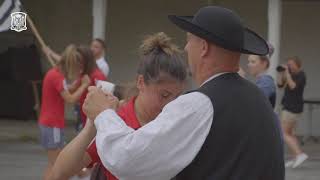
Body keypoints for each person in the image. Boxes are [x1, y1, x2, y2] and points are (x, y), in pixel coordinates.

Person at [83, 6, 284, 180]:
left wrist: (103, 114)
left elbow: (127, 160)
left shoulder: (200, 103)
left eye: (189, 40)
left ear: (204, 47)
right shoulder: (258, 97)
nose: (186, 48)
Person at [48, 32, 187, 180]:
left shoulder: (176, 120)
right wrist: (92, 126)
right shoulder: (116, 120)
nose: (170, 104)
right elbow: (59, 173)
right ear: (141, 82)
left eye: (177, 97)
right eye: (164, 95)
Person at [38, 44, 92, 180]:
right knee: (56, 166)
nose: (77, 72)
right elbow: (70, 99)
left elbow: (66, 91)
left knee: (53, 165)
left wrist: (76, 86)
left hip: (50, 124)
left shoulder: (55, 75)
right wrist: (84, 85)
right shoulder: (57, 77)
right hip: (52, 125)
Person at [277, 56, 307, 168]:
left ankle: (300, 154)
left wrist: (288, 75)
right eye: (288, 64)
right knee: (290, 134)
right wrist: (282, 74)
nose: (289, 66)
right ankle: (296, 157)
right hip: (288, 107)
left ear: (298, 64)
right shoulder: (290, 74)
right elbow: (280, 85)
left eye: (291, 64)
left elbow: (293, 86)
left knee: (283, 133)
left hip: (292, 108)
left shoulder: (301, 75)